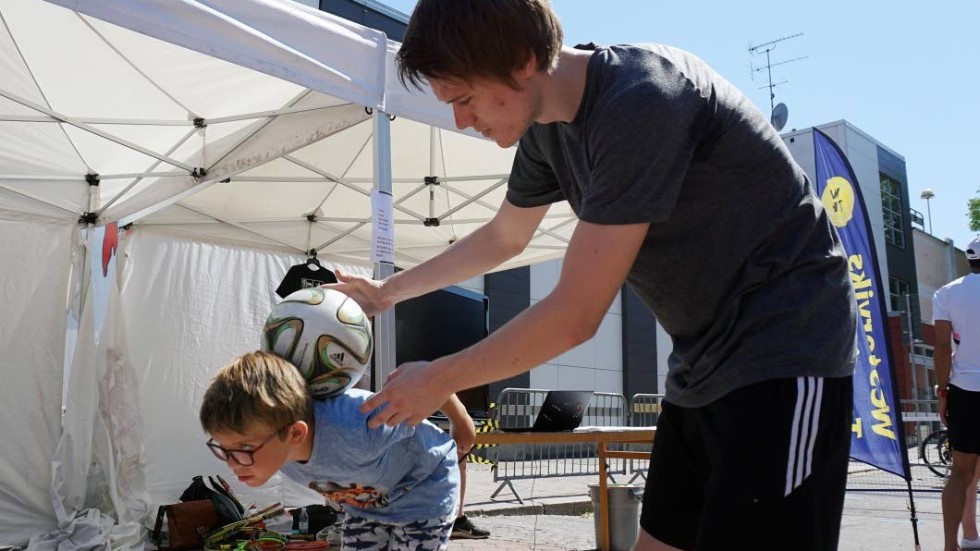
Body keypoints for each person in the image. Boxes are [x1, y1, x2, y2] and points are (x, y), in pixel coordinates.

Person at [330, 1, 857, 549]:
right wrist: (384, 293)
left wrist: (440, 379)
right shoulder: (546, 130)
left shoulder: (642, 99)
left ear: (523, 58)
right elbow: (503, 237)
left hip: (788, 349)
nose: (462, 120)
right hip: (701, 364)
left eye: (464, 98)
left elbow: (575, 316)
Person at [199, 351, 463, 550]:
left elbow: (424, 386)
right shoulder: (272, 446)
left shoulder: (359, 424)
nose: (233, 464)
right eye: (223, 448)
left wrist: (461, 424)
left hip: (423, 493)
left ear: (295, 433)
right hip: (369, 506)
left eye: (244, 448)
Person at [935, 236, 980, 551]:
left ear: (968, 260)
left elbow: (940, 347)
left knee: (960, 473)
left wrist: (942, 392)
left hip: (965, 389)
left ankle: (952, 545)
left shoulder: (947, 293)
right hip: (965, 387)